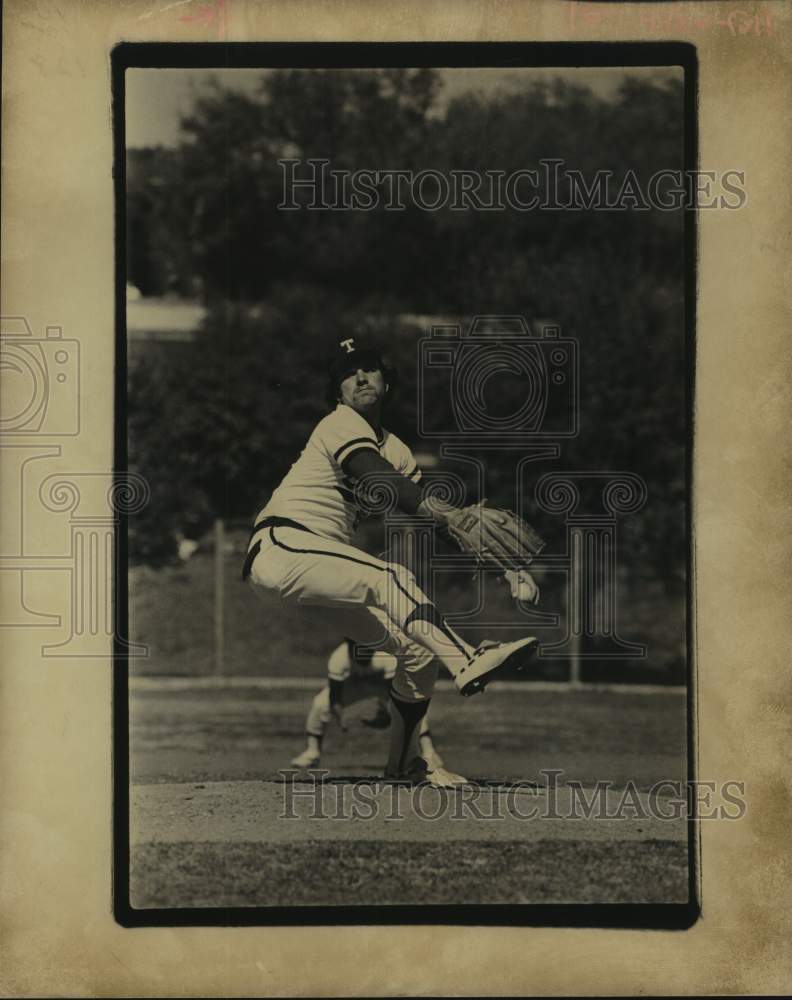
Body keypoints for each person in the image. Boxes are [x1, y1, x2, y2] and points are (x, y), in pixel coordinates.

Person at [243, 337, 539, 788]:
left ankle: (404, 767)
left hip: (315, 569)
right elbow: (380, 479)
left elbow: (436, 517)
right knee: (391, 575)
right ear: (338, 394)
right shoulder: (338, 424)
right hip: (283, 545)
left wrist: (506, 566)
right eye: (348, 373)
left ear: (386, 382)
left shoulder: (396, 448)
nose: (359, 378)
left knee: (417, 652)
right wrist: (452, 514)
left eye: (368, 368)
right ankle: (467, 660)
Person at [290, 639, 456, 778]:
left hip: (384, 688)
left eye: (365, 644)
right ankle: (313, 752)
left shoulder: (385, 655)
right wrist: (341, 719)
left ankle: (429, 752)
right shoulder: (339, 657)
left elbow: (395, 695)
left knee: (410, 706)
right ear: (349, 644)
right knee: (320, 702)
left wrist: (386, 715)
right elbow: (334, 697)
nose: (361, 648)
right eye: (356, 644)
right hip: (356, 685)